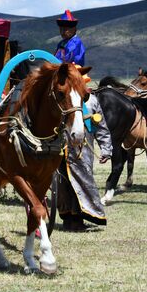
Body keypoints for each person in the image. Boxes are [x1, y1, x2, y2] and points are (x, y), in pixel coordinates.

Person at [57, 71, 112, 231]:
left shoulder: (92, 101)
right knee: (62, 185)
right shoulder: (61, 100)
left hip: (83, 151)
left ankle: (80, 217)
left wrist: (106, 148)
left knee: (83, 183)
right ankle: (67, 217)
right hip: (60, 150)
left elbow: (101, 127)